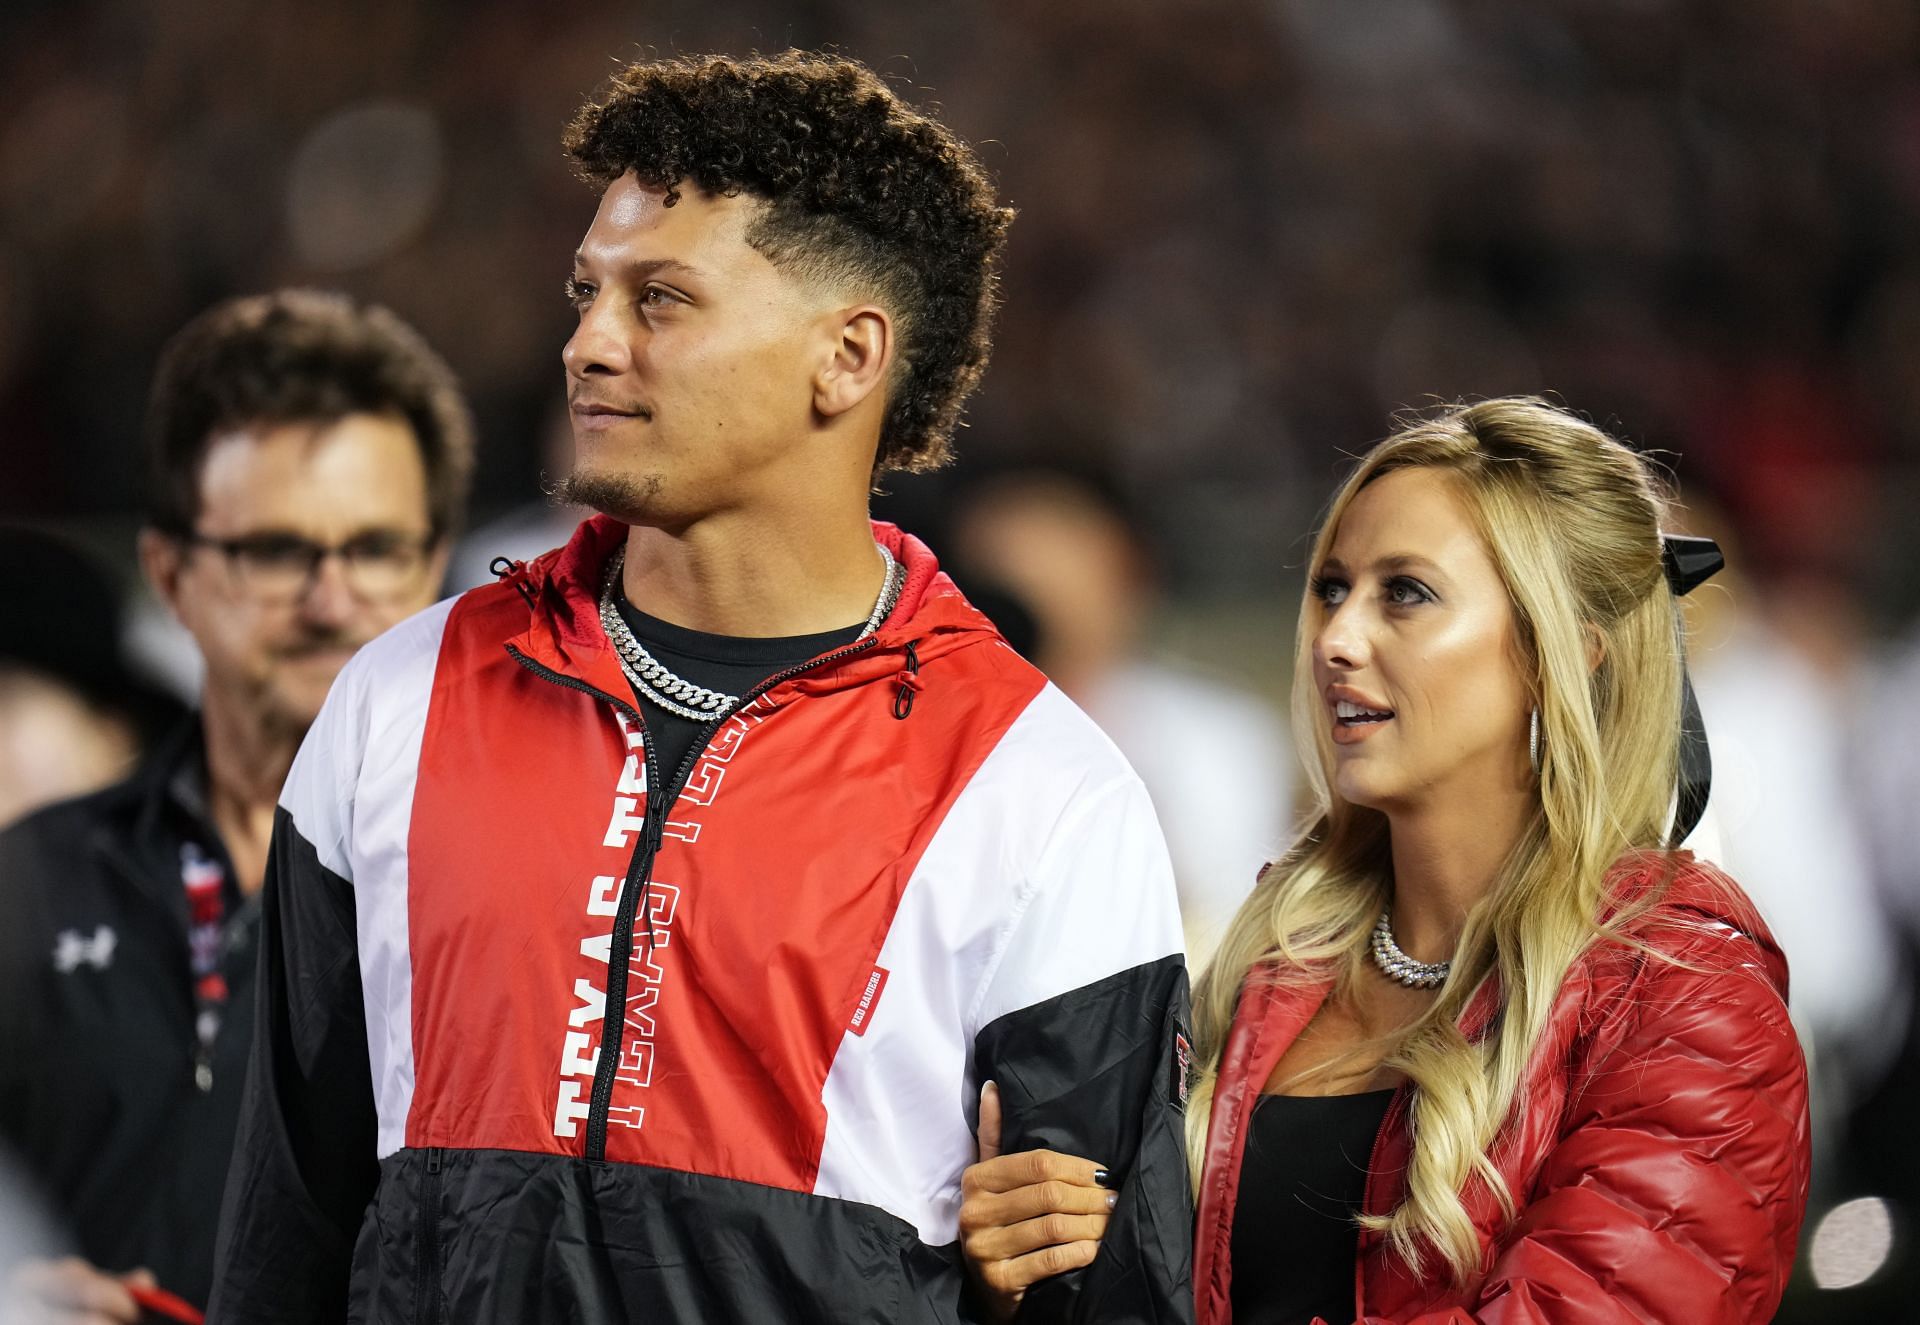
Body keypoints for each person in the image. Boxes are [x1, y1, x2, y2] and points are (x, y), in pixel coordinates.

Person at [209, 51, 1190, 1324]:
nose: (587, 343)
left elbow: (1102, 1290)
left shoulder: (1040, 784)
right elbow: (285, 1224)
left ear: (847, 357)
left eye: (659, 299)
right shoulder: (401, 694)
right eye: (585, 293)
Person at [959, 398, 1810, 1324]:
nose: (1336, 639)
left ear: (1564, 647)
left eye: (1405, 592)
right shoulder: (1268, 962)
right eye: (1332, 587)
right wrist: (1039, 1270)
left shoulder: (1687, 995)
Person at [0, 289, 474, 1322]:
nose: (331, 597)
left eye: (378, 547)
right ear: (169, 572)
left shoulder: (519, 906)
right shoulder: (25, 880)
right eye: (273, 551)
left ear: (436, 566)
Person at [950, 469, 1293, 963]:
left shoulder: (1217, 735)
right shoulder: (937, 744)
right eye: (996, 574)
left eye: (1062, 558)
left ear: (1126, 574)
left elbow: (1228, 920)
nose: (1032, 593)